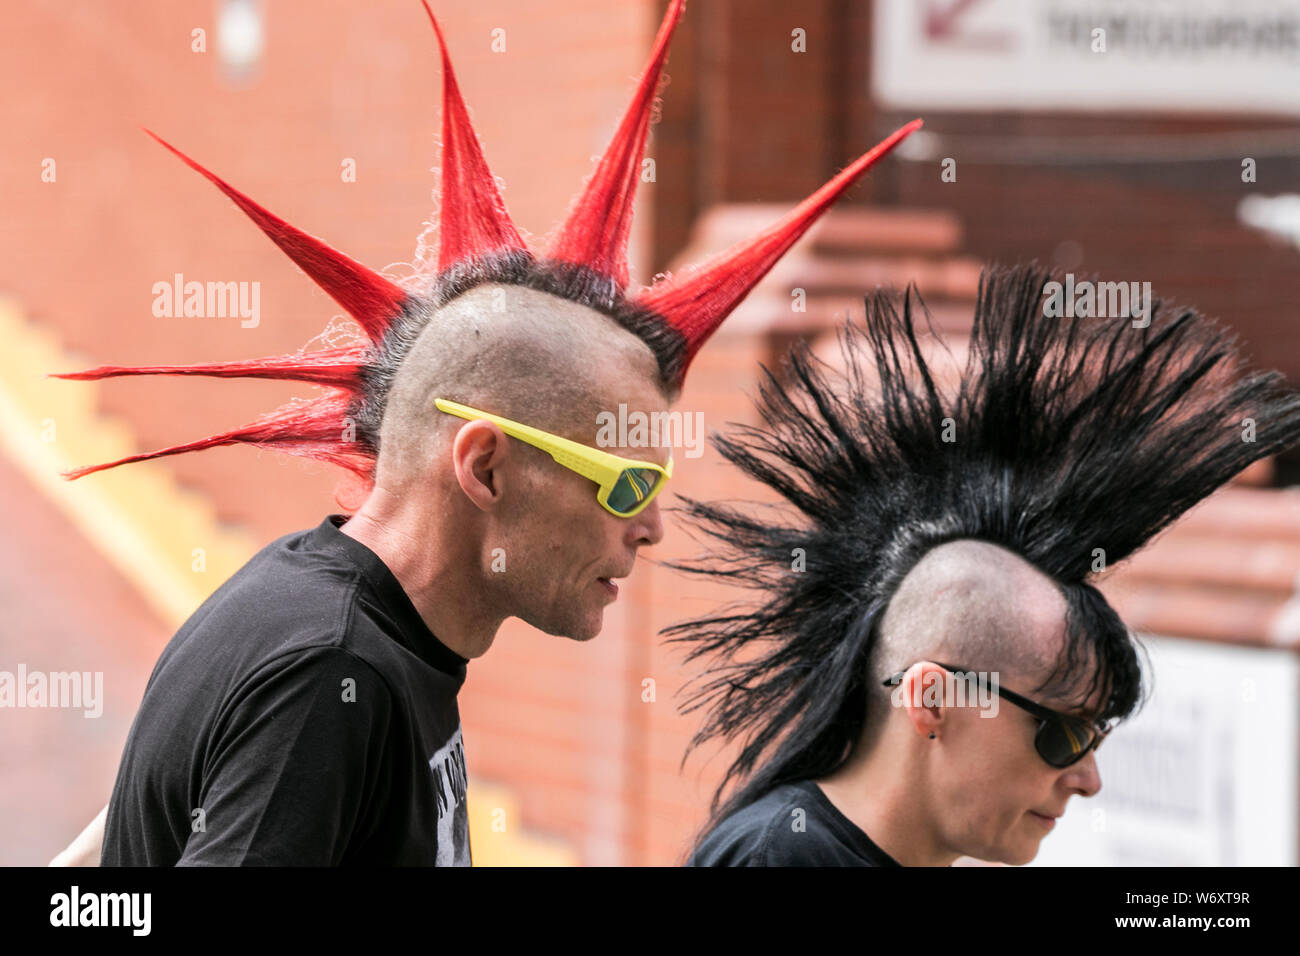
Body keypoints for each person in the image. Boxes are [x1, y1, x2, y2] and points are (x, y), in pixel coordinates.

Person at [46, 0, 920, 865]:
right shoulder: (329, 678)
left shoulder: (329, 614)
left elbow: (118, 849)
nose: (652, 526)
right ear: (487, 466)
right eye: (626, 483)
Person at [670, 263, 1300, 866]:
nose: (1087, 781)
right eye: (1063, 734)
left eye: (1095, 737)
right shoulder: (784, 857)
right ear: (931, 701)